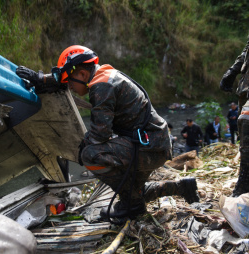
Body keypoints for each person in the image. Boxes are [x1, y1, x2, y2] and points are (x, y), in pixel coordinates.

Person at [16, 45, 199, 220]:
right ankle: (181, 187)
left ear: (82, 74)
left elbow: (99, 136)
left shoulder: (101, 86)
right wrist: (43, 79)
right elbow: (69, 77)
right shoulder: (104, 75)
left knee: (89, 155)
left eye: (69, 81)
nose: (68, 86)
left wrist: (84, 143)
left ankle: (131, 204)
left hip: (149, 147)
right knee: (135, 192)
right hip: (153, 144)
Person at [220, 37, 249, 197]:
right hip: (246, 86)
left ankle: (244, 184)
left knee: (246, 124)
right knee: (244, 138)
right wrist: (233, 71)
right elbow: (247, 49)